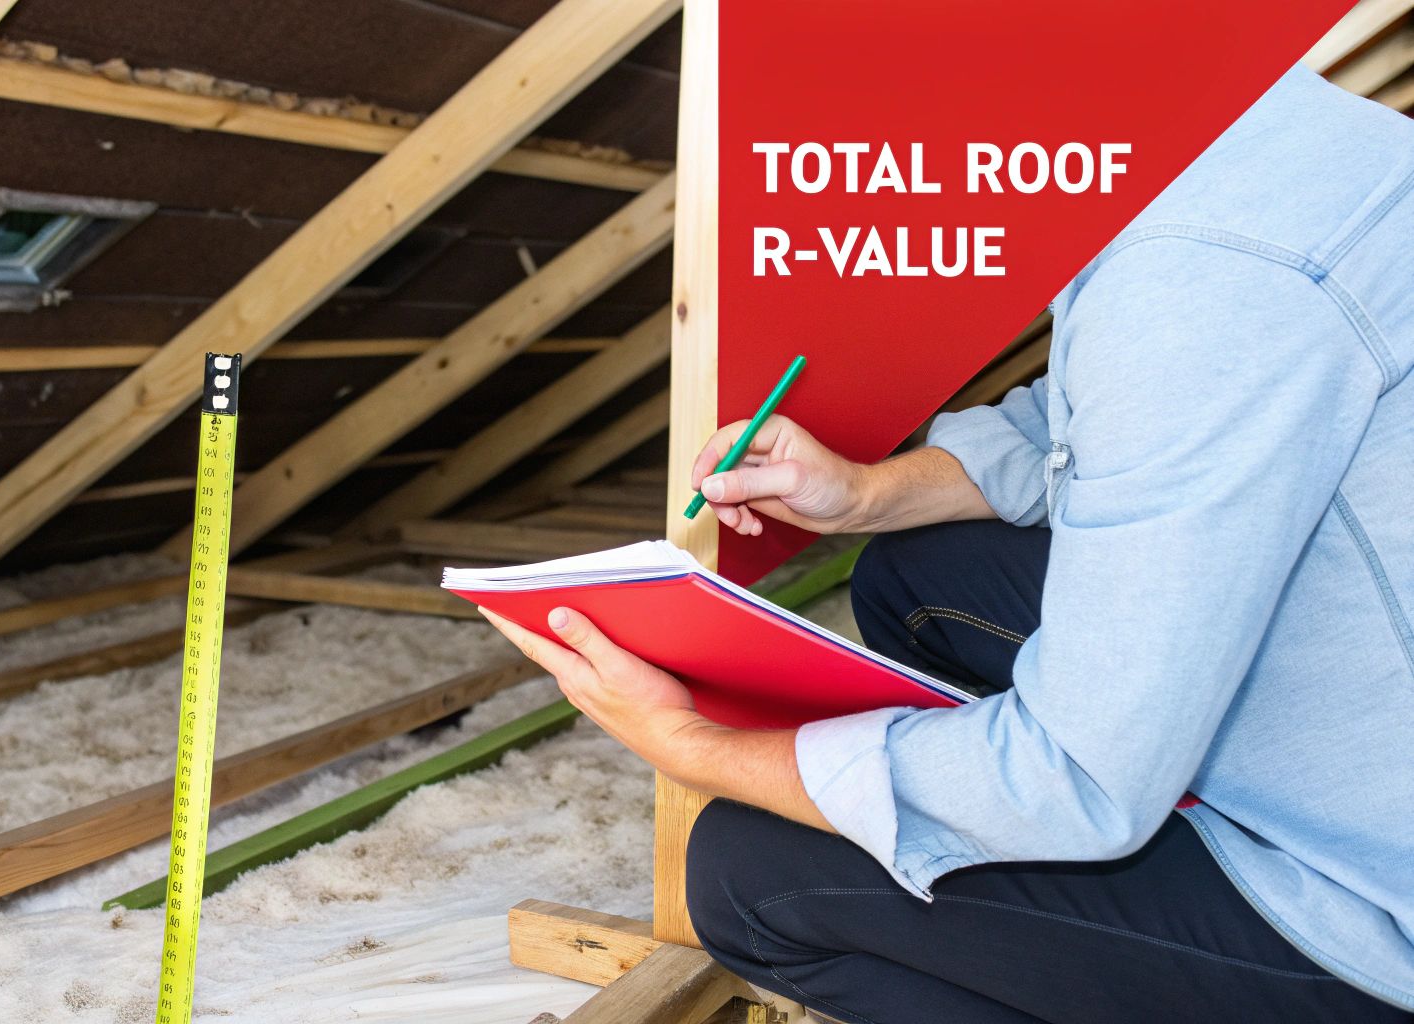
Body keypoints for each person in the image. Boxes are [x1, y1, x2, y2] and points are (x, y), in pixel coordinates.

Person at [479, 65, 1414, 1022]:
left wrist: (695, 745)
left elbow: (1077, 778)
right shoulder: (1264, 127)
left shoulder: (1200, 280)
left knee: (751, 875)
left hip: (1385, 906)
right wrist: (867, 495)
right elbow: (1085, 422)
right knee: (921, 575)